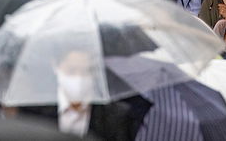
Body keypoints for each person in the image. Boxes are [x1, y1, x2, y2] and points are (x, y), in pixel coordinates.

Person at [20, 50, 150, 140]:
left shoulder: (116, 116)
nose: (79, 78)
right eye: (71, 70)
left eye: (86, 71)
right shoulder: (33, 110)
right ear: (56, 67)